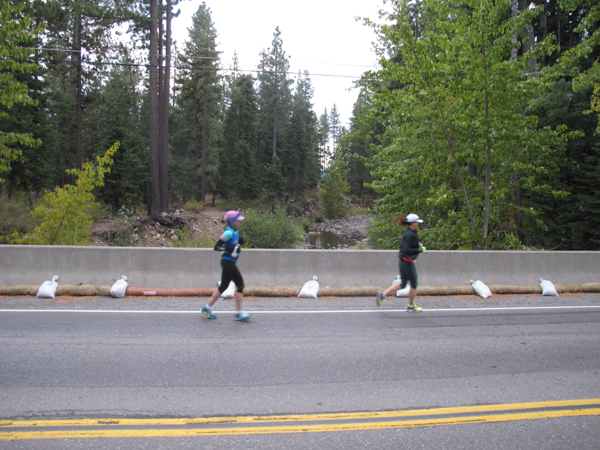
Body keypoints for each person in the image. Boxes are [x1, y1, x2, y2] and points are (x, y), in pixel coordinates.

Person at [201, 210, 252, 321]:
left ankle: (207, 308)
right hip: (228, 262)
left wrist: (239, 241)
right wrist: (229, 248)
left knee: (224, 286)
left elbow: (233, 243)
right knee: (240, 285)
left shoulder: (235, 230)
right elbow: (217, 247)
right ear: (232, 221)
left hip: (229, 262)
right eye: (238, 220)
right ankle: (239, 313)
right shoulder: (228, 232)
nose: (239, 222)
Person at [376, 213, 426, 312]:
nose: (418, 224)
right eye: (417, 222)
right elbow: (406, 249)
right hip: (407, 261)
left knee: (403, 284)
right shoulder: (410, 234)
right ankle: (410, 306)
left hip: (403, 261)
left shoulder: (410, 232)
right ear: (413, 223)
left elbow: (408, 246)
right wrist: (419, 250)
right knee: (414, 284)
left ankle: (383, 295)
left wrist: (418, 246)